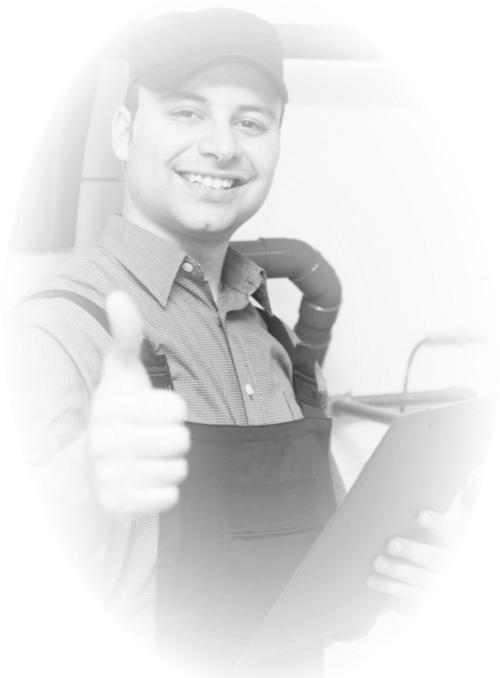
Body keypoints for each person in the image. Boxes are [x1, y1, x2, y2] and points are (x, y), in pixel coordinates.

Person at [4, 8, 469, 675]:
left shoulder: (275, 340)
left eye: (251, 122)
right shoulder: (53, 328)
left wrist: (402, 575)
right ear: (125, 131)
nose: (222, 146)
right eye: (186, 112)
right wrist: (81, 482)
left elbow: (323, 570)